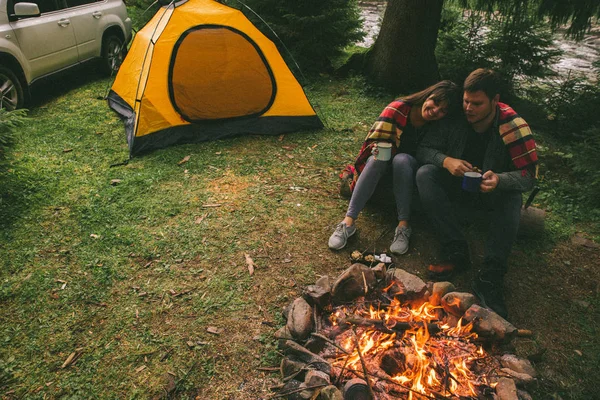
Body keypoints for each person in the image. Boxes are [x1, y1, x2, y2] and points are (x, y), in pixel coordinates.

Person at [416, 68, 538, 318]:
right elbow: (423, 149)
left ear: (495, 100)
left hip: (491, 195)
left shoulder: (513, 126)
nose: (469, 108)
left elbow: (528, 176)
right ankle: (455, 249)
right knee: (425, 173)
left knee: (513, 196)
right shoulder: (455, 116)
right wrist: (446, 160)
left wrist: (500, 180)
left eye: (477, 103)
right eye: (466, 101)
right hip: (454, 187)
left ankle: (490, 276)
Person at [328, 80, 461, 254]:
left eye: (443, 110)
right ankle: (348, 222)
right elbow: (371, 143)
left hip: (409, 171)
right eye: (435, 102)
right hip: (383, 169)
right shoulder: (398, 109)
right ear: (427, 95)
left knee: (402, 159)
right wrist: (376, 148)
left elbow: (428, 154)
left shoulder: (438, 125)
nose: (435, 111)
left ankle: (403, 226)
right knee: (378, 157)